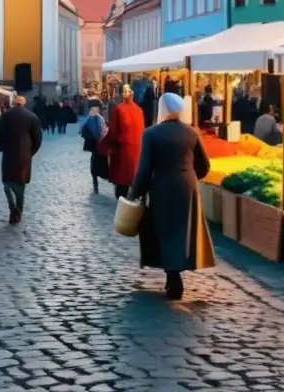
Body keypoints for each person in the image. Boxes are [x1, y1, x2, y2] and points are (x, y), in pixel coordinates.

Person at [128, 92, 215, 300]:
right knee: (182, 232)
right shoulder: (191, 132)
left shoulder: (151, 134)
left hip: (163, 188)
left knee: (165, 232)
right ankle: (173, 276)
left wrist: (134, 193)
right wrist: (191, 178)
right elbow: (204, 165)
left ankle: (174, 279)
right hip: (187, 187)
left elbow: (144, 168)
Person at [0, 95, 43, 224]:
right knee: (20, 185)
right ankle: (19, 211)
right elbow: (38, 138)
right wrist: (31, 151)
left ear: (13, 103)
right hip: (24, 154)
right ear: (24, 103)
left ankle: (12, 207)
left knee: (7, 183)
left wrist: (1, 147)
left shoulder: (5, 116)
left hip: (9, 153)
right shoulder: (32, 117)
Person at [105, 84, 144, 199]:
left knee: (122, 178)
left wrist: (109, 145)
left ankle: (122, 200)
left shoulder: (118, 109)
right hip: (137, 148)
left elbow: (113, 131)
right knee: (133, 174)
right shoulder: (139, 110)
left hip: (122, 149)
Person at [81, 103, 109, 193]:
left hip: (93, 145)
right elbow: (103, 131)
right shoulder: (100, 118)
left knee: (94, 165)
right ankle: (103, 179)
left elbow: (83, 128)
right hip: (99, 144)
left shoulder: (90, 118)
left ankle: (95, 187)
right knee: (100, 163)